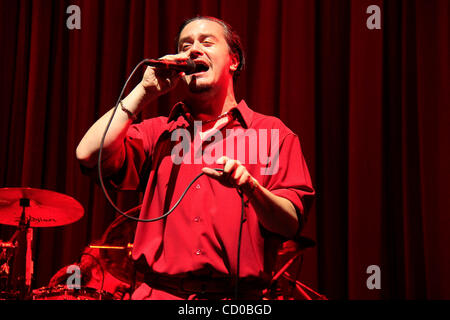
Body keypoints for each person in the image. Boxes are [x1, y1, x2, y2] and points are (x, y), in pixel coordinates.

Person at [76, 16, 315, 300]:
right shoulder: (160, 132)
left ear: (233, 61)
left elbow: (290, 223)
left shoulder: (272, 135)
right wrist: (143, 91)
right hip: (159, 293)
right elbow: (88, 154)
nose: (193, 50)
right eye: (185, 45)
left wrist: (250, 187)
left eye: (207, 42)